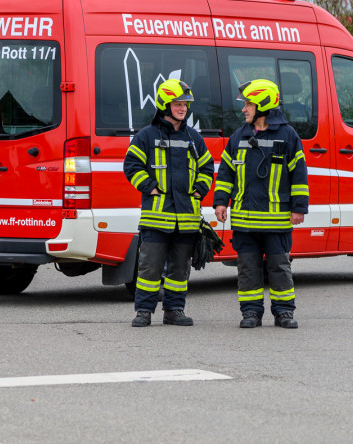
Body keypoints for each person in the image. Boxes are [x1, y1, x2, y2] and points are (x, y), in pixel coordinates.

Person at [212, 79, 308, 329]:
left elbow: (299, 174)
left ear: (263, 105)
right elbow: (225, 173)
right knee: (248, 269)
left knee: (279, 267)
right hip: (245, 221)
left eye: (248, 104)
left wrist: (298, 208)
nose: (243, 109)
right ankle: (251, 313)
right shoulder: (239, 136)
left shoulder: (288, 136)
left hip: (276, 221)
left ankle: (284, 312)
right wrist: (220, 202)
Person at [124, 79, 214, 327]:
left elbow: (207, 167)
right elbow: (131, 166)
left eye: (185, 104)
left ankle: (174, 310)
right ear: (165, 105)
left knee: (179, 270)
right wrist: (149, 186)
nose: (182, 108)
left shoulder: (193, 137)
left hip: (186, 219)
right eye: (177, 103)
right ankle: (144, 311)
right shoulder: (147, 136)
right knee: (149, 268)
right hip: (156, 218)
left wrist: (200, 190)